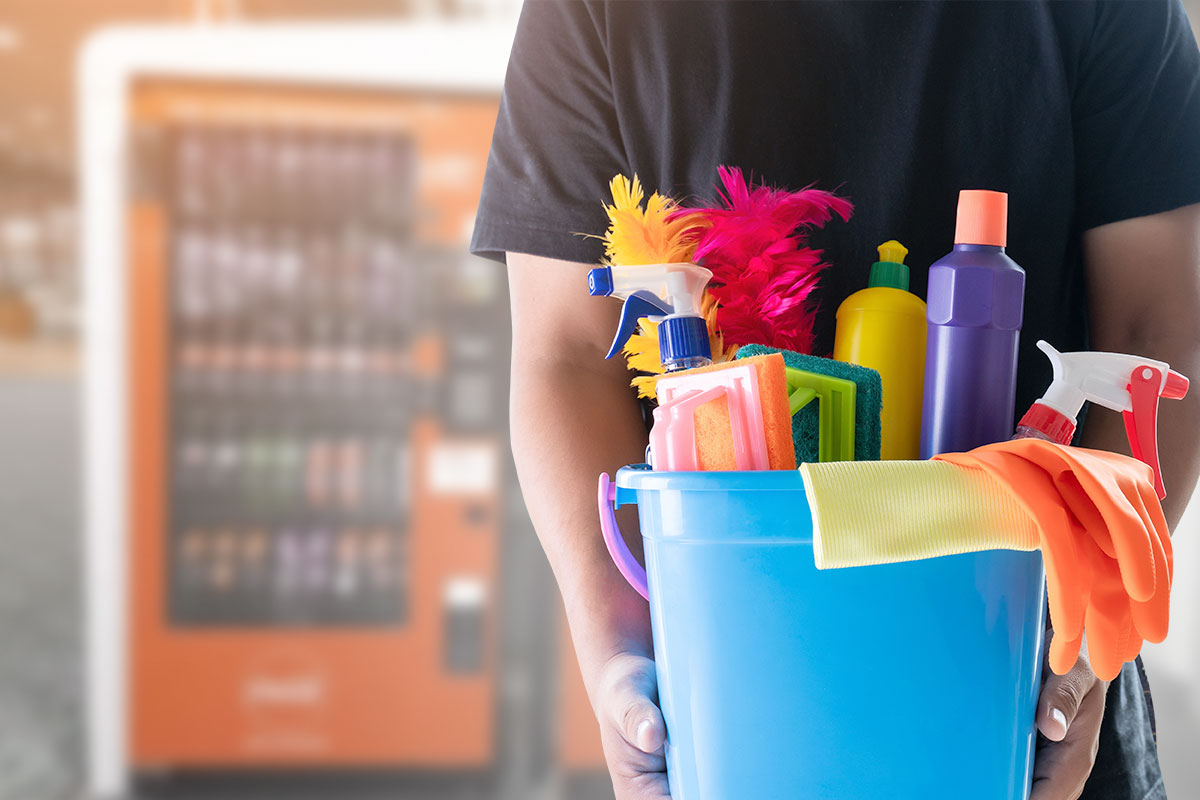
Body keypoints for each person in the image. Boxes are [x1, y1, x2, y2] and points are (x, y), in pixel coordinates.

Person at [471, 2, 1200, 798]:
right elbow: (570, 354)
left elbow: (1161, 332)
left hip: (1028, 692)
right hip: (739, 698)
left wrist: (1089, 636)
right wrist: (621, 648)